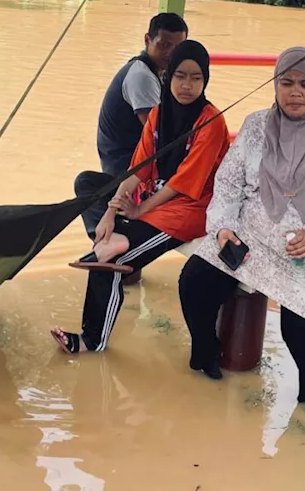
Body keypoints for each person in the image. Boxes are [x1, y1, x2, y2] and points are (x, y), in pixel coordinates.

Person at [178, 47, 305, 408]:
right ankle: (206, 353)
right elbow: (229, 184)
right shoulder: (256, 126)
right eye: (286, 83)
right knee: (196, 279)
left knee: (301, 327)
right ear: (275, 85)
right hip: (250, 240)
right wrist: (223, 228)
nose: (294, 92)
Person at [52, 40, 228, 354]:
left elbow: (184, 183)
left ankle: (92, 342)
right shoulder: (159, 114)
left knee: (108, 258)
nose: (187, 85)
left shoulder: (211, 122)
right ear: (168, 76)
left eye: (196, 78)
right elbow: (138, 169)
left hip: (189, 208)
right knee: (99, 226)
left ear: (206, 80)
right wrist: (111, 211)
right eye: (180, 76)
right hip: (155, 196)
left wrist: (137, 211)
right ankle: (112, 247)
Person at [73, 13, 189, 237]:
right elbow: (159, 136)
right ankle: (108, 237)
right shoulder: (142, 76)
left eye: (177, 48)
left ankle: (112, 240)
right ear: (147, 40)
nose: (170, 53)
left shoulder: (161, 74)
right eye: (163, 45)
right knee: (86, 183)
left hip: (135, 164)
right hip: (125, 167)